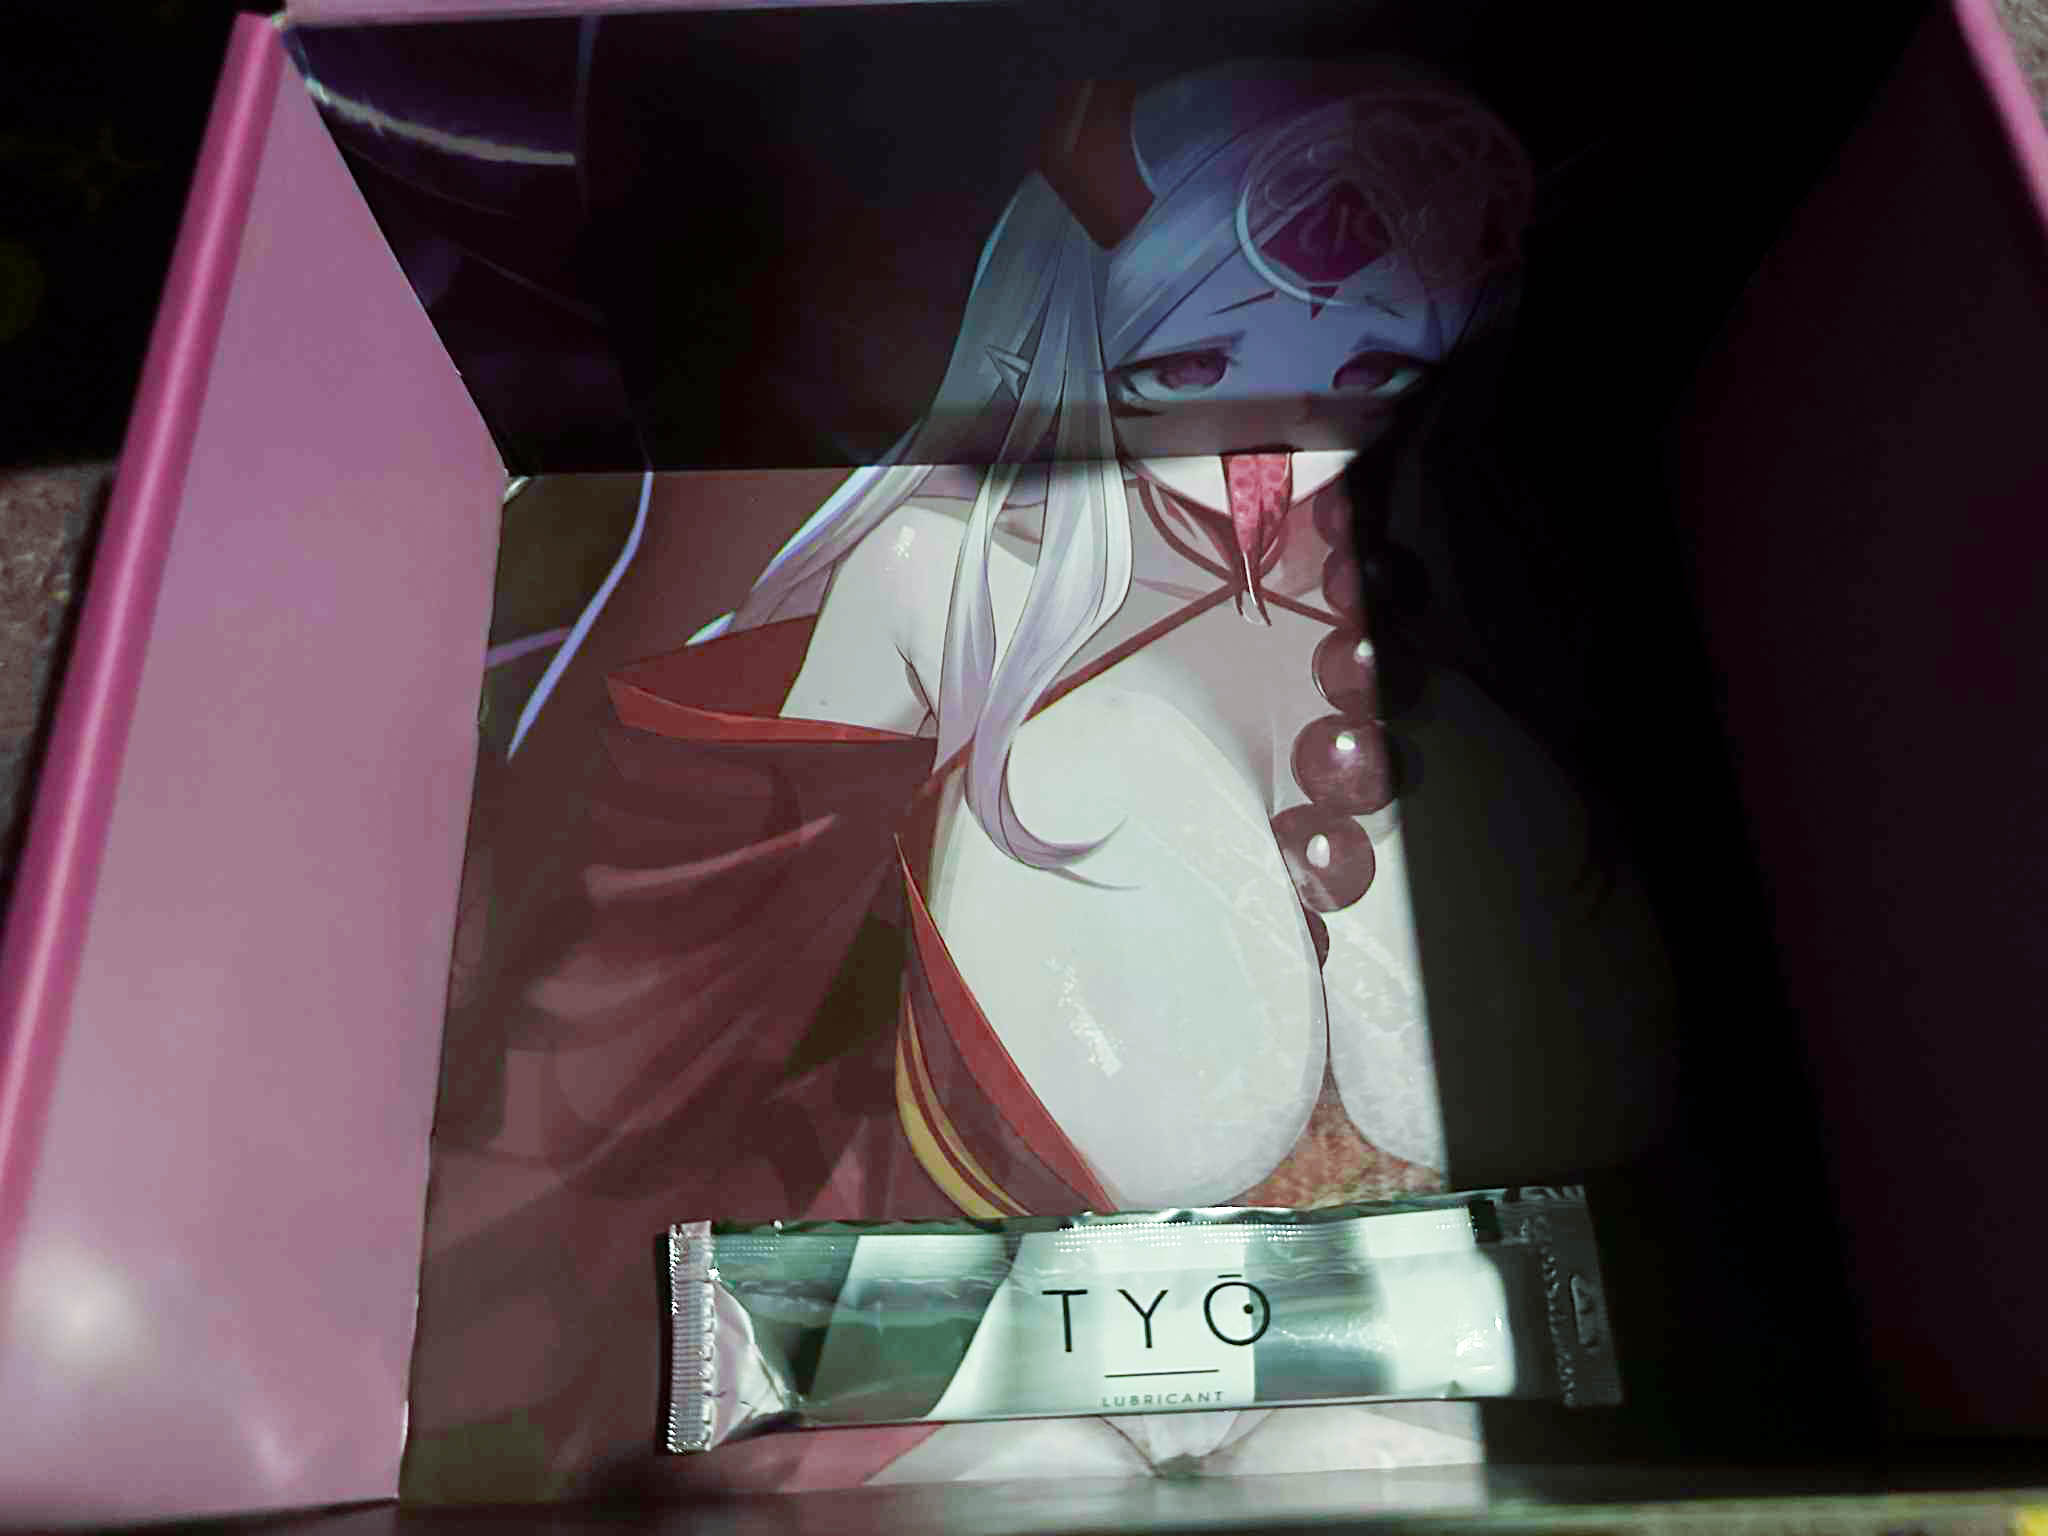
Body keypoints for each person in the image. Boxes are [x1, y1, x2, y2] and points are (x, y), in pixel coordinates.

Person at [408, 57, 1646, 1499]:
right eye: (1193, 366)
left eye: (1369, 376)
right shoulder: (942, 579)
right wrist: (514, 1339)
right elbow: (652, 987)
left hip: (1392, 1344)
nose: (1269, 439)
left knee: (1387, 1463)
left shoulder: (1425, 629)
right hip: (956, 1344)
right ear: (1076, 328)